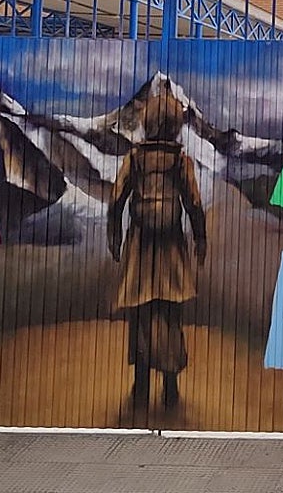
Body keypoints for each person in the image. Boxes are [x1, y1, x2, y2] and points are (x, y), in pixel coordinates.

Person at [107, 93, 208, 409]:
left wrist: (115, 235)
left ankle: (140, 386)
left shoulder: (135, 157)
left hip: (140, 244)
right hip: (171, 245)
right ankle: (170, 387)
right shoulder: (180, 159)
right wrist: (200, 239)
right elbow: (193, 203)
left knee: (142, 313)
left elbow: (116, 200)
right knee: (170, 312)